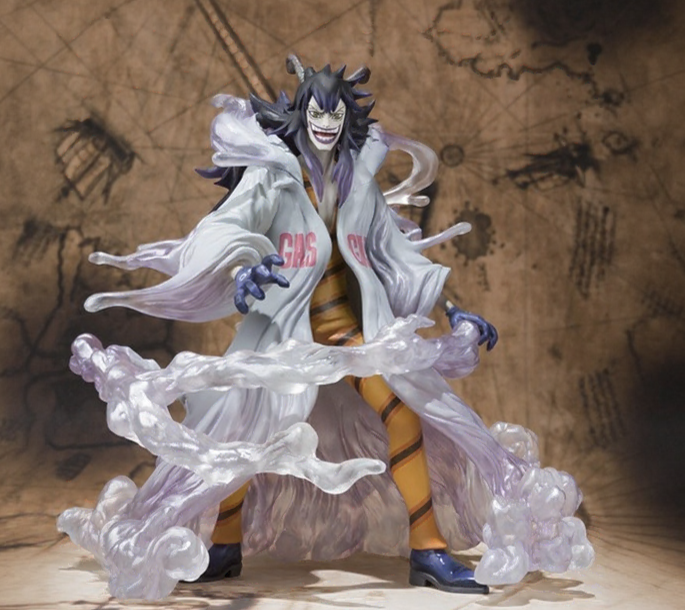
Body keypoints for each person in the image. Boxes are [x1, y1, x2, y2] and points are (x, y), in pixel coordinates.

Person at [58, 56, 594, 600]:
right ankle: (223, 543)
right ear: (302, 114)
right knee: (242, 430)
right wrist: (242, 271)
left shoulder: (358, 184)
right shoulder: (272, 176)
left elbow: (396, 256)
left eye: (335, 114)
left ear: (346, 119)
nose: (326, 123)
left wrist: (453, 309)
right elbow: (224, 228)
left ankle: (428, 550)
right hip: (284, 338)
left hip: (350, 337)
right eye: (317, 112)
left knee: (404, 414)